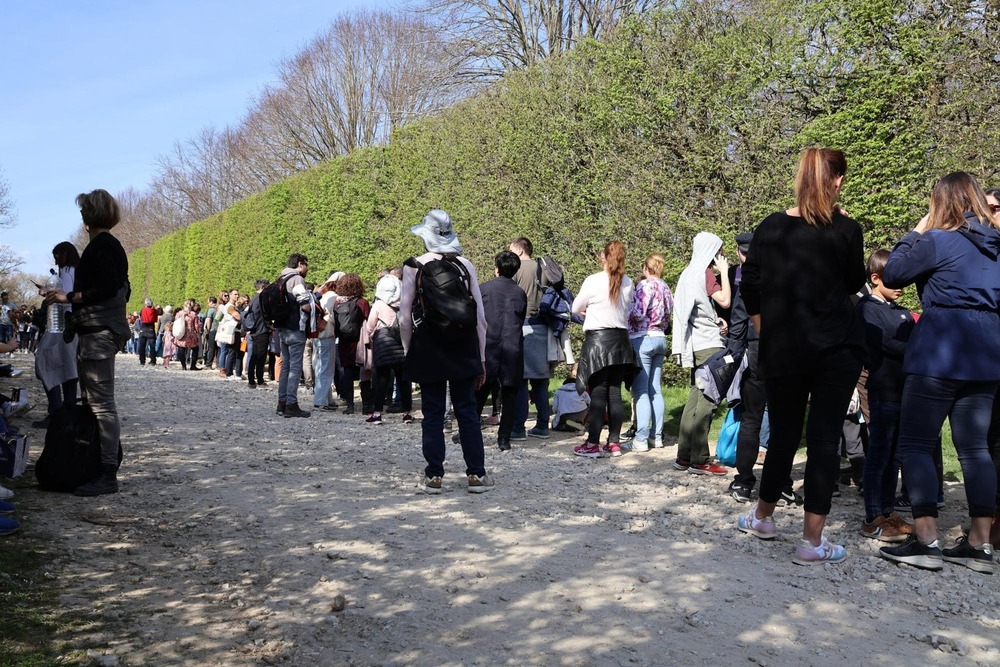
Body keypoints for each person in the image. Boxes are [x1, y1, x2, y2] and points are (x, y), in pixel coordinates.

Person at [736, 148, 866, 565]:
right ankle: (811, 542)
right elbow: (852, 281)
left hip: (784, 346)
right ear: (837, 181)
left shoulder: (769, 227)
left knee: (785, 435)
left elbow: (749, 286)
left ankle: (763, 518)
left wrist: (761, 326)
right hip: (836, 346)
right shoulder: (847, 230)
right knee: (825, 437)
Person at [878, 173, 1000, 574]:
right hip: (986, 354)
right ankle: (980, 544)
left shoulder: (937, 239)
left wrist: (918, 228)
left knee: (915, 443)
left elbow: (893, 273)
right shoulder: (996, 246)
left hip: (940, 350)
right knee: (975, 449)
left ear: (939, 203)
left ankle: (926, 539)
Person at [44, 189, 130, 496]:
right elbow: (120, 290)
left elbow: (107, 288)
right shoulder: (109, 246)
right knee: (96, 402)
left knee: (102, 405)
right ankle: (95, 465)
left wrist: (71, 297)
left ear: (87, 217)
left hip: (98, 333)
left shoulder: (101, 246)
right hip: (98, 332)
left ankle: (107, 473)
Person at [400, 209, 493, 493]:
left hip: (430, 346)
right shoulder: (465, 265)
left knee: (432, 412)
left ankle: (434, 475)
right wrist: (481, 357)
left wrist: (409, 351)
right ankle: (476, 474)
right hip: (463, 345)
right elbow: (480, 318)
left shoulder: (414, 266)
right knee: (466, 411)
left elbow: (404, 316)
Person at [727, 232, 802, 506]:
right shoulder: (794, 279)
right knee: (784, 422)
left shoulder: (751, 280)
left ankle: (744, 482)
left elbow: (736, 324)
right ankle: (781, 483)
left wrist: (732, 359)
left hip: (757, 349)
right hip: (789, 353)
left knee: (751, 419)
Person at [855, 249, 915, 543]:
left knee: (895, 457)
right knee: (878, 454)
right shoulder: (867, 309)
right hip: (882, 391)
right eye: (895, 279)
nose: (901, 285)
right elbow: (885, 342)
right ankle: (872, 517)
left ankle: (889, 512)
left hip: (905, 391)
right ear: (875, 278)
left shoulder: (900, 311)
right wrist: (916, 348)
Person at [671, 232, 731, 474]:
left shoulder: (687, 273)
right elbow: (725, 300)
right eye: (719, 251)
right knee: (708, 400)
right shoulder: (705, 273)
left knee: (694, 400)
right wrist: (724, 272)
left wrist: (713, 319)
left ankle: (684, 457)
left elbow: (696, 310)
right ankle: (700, 460)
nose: (721, 256)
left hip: (695, 344)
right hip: (709, 346)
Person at [571, 240, 635, 458]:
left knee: (598, 394)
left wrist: (589, 312)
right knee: (615, 392)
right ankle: (614, 442)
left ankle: (592, 444)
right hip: (621, 341)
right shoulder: (629, 282)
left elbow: (575, 308)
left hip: (599, 341)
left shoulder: (593, 280)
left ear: (604, 257)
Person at [478, 250, 527, 451]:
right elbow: (520, 319)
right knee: (510, 395)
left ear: (497, 268)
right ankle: (504, 438)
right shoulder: (520, 293)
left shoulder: (483, 289)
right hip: (512, 346)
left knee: (480, 391)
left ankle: (469, 432)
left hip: (489, 345)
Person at [626, 253, 672, 452]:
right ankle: (657, 436)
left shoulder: (645, 286)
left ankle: (641, 438)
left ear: (646, 268)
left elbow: (638, 314)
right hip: (661, 337)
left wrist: (624, 312)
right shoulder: (666, 287)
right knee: (656, 389)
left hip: (643, 338)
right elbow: (669, 314)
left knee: (641, 391)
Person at [508, 237, 553, 440]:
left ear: (519, 251)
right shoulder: (542, 268)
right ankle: (543, 425)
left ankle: (518, 428)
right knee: (541, 382)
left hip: (522, 325)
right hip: (543, 326)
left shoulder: (516, 269)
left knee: (520, 381)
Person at [33, 241, 80, 429]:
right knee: (69, 369)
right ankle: (66, 414)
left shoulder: (67, 271)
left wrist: (47, 292)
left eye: (57, 256)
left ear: (65, 254)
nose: (55, 260)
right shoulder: (76, 271)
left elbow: (66, 297)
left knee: (44, 364)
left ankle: (56, 411)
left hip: (61, 325)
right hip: (71, 326)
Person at [365, 274, 413, 424]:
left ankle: (377, 414)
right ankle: (406, 414)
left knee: (381, 380)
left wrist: (371, 337)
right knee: (403, 381)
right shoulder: (404, 304)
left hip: (383, 343)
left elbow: (369, 326)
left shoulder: (379, 305)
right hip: (400, 343)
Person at [274, 254, 313, 418]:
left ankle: (281, 403)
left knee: (286, 367)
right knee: (295, 368)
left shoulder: (280, 278)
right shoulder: (297, 279)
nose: (307, 269)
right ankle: (292, 404)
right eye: (306, 265)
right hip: (295, 327)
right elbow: (304, 305)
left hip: (282, 328)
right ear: (300, 264)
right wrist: (313, 309)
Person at [174, 299, 202, 370]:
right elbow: (196, 325)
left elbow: (176, 322)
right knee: (195, 349)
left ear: (183, 306)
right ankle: (193, 365)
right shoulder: (193, 314)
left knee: (181, 348)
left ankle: (183, 365)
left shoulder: (179, 313)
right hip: (191, 334)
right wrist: (198, 333)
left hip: (181, 333)